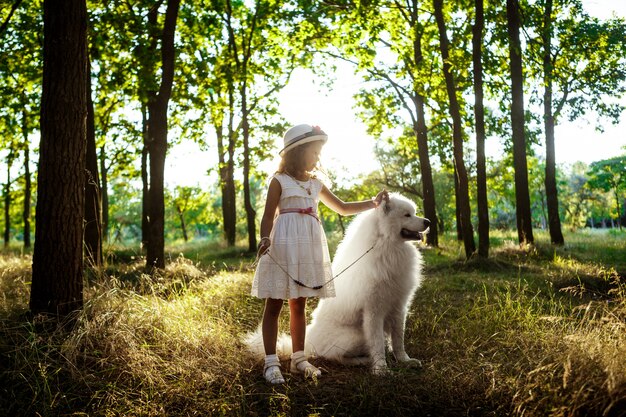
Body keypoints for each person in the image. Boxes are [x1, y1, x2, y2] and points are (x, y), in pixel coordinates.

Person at [252, 123, 389, 384]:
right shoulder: (278, 181)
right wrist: (265, 238)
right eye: (314, 152)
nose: (317, 158)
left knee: (299, 303)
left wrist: (373, 203)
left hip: (307, 245)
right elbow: (269, 215)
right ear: (297, 152)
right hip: (283, 245)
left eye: (318, 153)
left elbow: (343, 207)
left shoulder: (316, 184)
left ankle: (298, 359)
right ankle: (271, 363)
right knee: (274, 303)